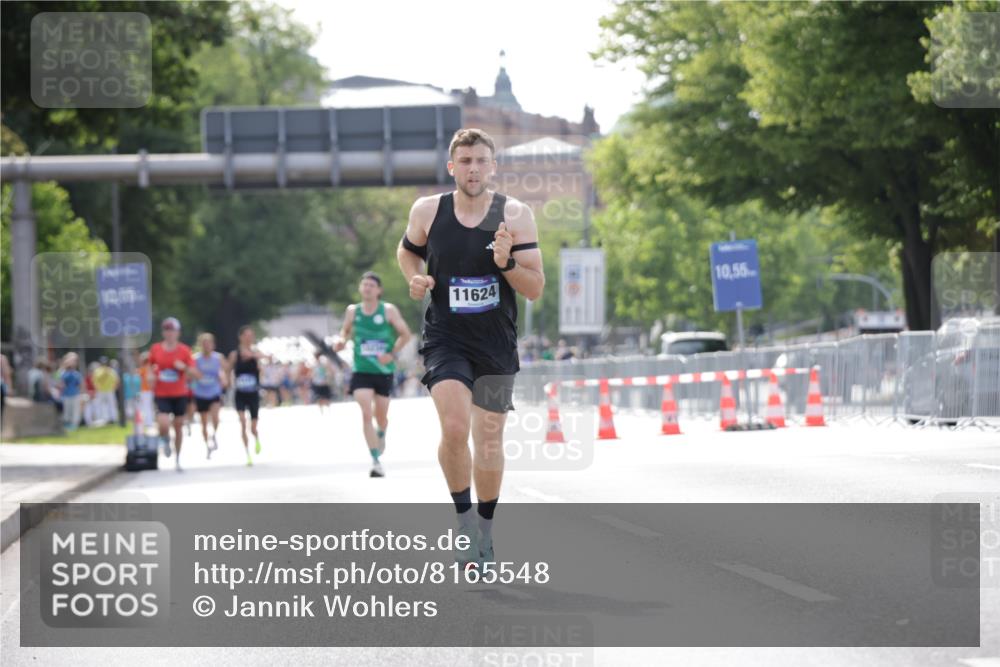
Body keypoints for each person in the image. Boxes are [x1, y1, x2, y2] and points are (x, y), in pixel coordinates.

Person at [397, 128, 544, 568]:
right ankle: (463, 522)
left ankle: (485, 530)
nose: (473, 168)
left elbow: (534, 288)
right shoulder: (427, 210)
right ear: (451, 167)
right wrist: (415, 278)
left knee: (491, 437)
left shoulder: (515, 215)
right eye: (465, 161)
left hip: (496, 342)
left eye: (481, 160)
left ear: (493, 166)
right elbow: (407, 253)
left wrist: (507, 263)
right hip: (445, 336)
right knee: (457, 428)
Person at [334, 271, 412, 478]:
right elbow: (345, 331)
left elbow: (405, 334)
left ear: (379, 290)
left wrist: (391, 354)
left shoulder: (388, 311)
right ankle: (375, 460)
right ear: (360, 288)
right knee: (366, 413)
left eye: (371, 285)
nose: (367, 288)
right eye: (364, 284)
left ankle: (382, 433)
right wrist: (341, 341)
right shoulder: (353, 311)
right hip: (361, 370)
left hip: (383, 371)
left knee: (381, 416)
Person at [147, 317, 201, 471]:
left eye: (172, 330)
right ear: (163, 332)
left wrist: (183, 367)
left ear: (178, 333)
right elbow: (150, 367)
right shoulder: (156, 348)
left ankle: (178, 458)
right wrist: (150, 376)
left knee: (178, 426)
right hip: (162, 392)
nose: (169, 333)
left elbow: (195, 373)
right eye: (167, 330)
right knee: (163, 423)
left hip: (179, 393)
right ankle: (165, 439)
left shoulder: (184, 350)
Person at [228, 325, 264, 466]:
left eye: (251, 335)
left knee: (253, 427)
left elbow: (265, 360)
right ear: (241, 337)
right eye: (247, 335)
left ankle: (256, 438)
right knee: (242, 421)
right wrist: (227, 381)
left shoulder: (256, 353)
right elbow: (228, 369)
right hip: (240, 393)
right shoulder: (234, 354)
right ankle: (247, 453)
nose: (249, 338)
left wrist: (254, 358)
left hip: (253, 393)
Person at [193, 332, 226, 458]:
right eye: (204, 344)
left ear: (213, 345)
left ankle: (214, 435)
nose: (206, 346)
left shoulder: (218, 358)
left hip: (214, 391)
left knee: (215, 417)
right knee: (204, 422)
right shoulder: (195, 359)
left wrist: (223, 379)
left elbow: (223, 371)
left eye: (209, 343)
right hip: (200, 393)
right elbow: (191, 374)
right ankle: (207, 444)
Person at [57, 353, 84, 430]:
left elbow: (80, 384)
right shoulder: (63, 373)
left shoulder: (76, 374)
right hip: (66, 395)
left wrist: (81, 393)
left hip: (75, 394)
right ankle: (68, 424)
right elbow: (61, 384)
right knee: (67, 411)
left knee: (75, 410)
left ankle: (74, 425)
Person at [92, 357, 120, 425]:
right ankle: (103, 419)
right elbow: (94, 381)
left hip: (110, 390)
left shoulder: (111, 370)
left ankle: (113, 418)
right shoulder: (97, 371)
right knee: (101, 405)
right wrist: (97, 388)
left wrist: (114, 388)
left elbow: (116, 380)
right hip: (101, 391)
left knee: (111, 405)